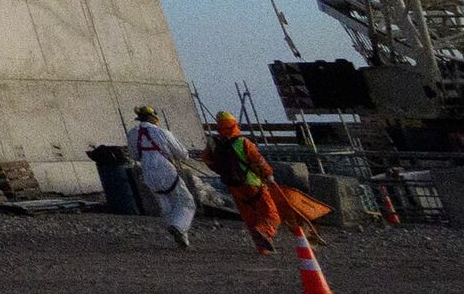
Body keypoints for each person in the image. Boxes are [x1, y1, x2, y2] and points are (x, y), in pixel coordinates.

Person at [203, 107, 324, 259]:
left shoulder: (214, 143)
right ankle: (265, 232)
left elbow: (207, 160)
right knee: (271, 215)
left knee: (250, 217)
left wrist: (220, 170)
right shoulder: (243, 142)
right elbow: (258, 160)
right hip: (253, 183)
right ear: (234, 124)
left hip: (233, 185)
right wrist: (268, 174)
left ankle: (263, 248)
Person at [125, 106, 200, 248]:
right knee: (186, 201)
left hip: (147, 171)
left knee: (165, 204)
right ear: (152, 117)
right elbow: (182, 153)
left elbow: (134, 155)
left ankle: (181, 235)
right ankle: (178, 226)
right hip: (165, 169)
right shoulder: (162, 132)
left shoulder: (133, 134)